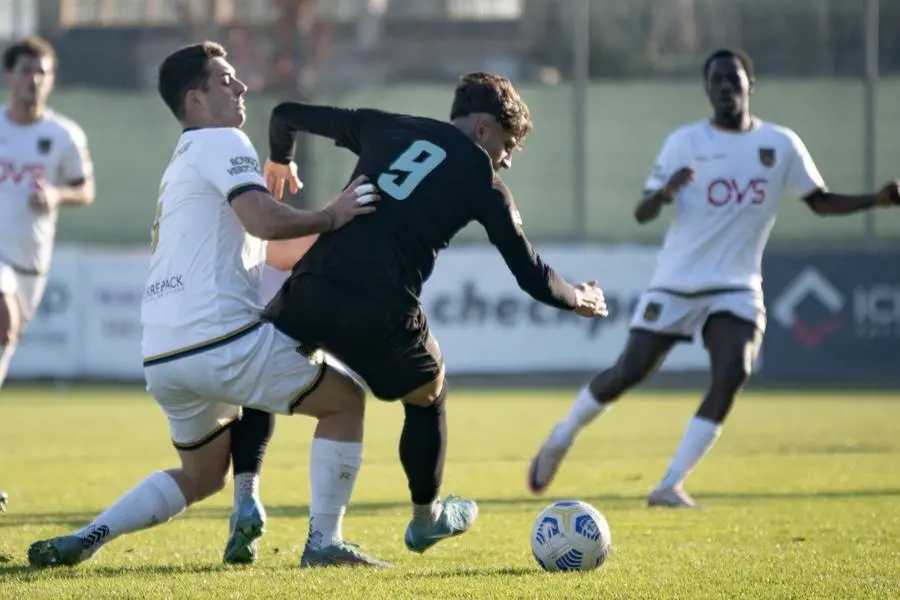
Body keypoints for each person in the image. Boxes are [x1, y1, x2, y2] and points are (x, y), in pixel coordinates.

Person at [27, 41, 389, 569]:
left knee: (202, 477)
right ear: (195, 100)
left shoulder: (183, 162)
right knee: (346, 401)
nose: (240, 87)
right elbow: (264, 221)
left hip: (163, 357)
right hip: (220, 340)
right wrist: (331, 215)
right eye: (226, 80)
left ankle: (89, 536)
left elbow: (273, 248)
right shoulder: (224, 139)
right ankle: (324, 543)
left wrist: (341, 225)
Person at [528, 48, 900, 508]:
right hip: (677, 281)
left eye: (734, 79)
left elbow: (819, 201)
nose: (726, 87)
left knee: (734, 371)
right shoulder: (684, 142)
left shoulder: (780, 144)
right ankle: (562, 435)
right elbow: (643, 213)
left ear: (750, 84)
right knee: (630, 371)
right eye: (717, 80)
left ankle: (669, 484)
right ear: (708, 89)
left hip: (737, 284)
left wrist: (875, 200)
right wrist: (665, 192)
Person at [261, 71, 609, 554]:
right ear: (484, 129)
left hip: (313, 287)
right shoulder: (484, 182)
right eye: (507, 146)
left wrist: (280, 159)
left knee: (254, 377)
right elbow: (531, 274)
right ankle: (426, 519)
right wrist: (580, 298)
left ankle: (244, 499)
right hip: (381, 308)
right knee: (429, 389)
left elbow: (285, 115)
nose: (506, 160)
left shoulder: (385, 125)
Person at [0, 36, 96, 513]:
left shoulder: (63, 135)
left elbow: (85, 189)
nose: (33, 79)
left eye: (42, 71)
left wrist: (55, 196)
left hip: (30, 266)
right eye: (24, 70)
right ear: (8, 76)